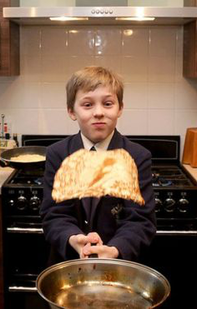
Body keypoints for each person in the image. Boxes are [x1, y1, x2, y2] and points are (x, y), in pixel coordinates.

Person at [40, 66, 156, 264]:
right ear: (71, 111)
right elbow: (54, 214)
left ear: (120, 108)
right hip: (68, 262)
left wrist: (115, 249)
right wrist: (73, 238)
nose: (99, 112)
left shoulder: (138, 157)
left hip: (119, 265)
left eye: (108, 104)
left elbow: (141, 220)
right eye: (87, 105)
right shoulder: (57, 154)